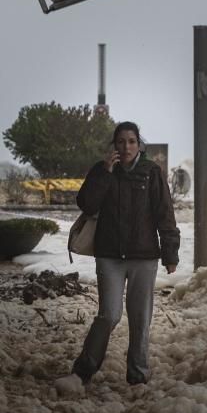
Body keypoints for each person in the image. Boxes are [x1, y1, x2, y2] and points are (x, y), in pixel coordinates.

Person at [68, 121, 180, 386]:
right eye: (121, 142)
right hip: (109, 256)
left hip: (144, 257)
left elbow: (165, 214)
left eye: (131, 141)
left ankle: (137, 376)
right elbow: (86, 204)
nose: (126, 146)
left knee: (140, 319)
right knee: (110, 314)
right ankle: (83, 370)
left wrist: (170, 254)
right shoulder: (102, 170)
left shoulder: (152, 172)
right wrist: (105, 172)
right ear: (114, 145)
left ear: (138, 144)